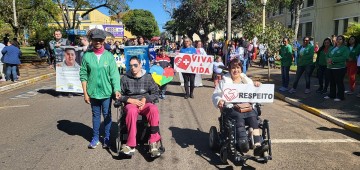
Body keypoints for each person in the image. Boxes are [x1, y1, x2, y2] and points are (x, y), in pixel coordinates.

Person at [212, 58, 269, 156]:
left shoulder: (247, 80)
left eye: (238, 68)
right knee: (238, 116)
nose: (236, 70)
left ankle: (257, 145)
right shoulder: (224, 81)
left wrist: (257, 85)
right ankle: (243, 142)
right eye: (233, 68)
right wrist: (219, 100)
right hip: (232, 108)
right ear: (230, 69)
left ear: (241, 69)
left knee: (253, 117)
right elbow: (216, 94)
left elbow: (255, 93)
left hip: (246, 107)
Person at [79, 29, 121, 149]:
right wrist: (85, 93)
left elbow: (114, 75)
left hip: (106, 92)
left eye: (100, 40)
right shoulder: (87, 56)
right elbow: (83, 75)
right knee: (95, 116)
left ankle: (107, 137)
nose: (97, 42)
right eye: (95, 39)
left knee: (107, 115)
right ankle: (95, 137)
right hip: (93, 93)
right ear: (91, 40)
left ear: (103, 41)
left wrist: (116, 90)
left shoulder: (109, 56)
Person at [119, 56, 161, 157]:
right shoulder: (124, 78)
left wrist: (145, 98)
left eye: (135, 65)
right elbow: (118, 95)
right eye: (131, 66)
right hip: (131, 103)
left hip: (145, 102)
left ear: (140, 65)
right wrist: (129, 100)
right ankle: (131, 144)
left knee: (153, 109)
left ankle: (153, 142)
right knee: (131, 111)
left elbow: (156, 93)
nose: (133, 67)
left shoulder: (148, 77)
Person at [324, 35, 350, 101]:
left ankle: (340, 96)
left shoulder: (345, 48)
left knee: (339, 82)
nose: (338, 40)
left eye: (340, 39)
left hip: (339, 68)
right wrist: (328, 60)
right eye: (337, 39)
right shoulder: (332, 48)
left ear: (343, 41)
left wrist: (332, 59)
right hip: (330, 68)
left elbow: (344, 57)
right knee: (332, 82)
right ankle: (332, 95)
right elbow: (327, 55)